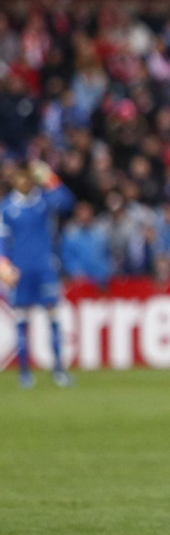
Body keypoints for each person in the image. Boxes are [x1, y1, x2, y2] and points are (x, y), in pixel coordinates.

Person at [1, 161, 75, 388]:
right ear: (14, 181)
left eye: (27, 178)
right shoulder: (6, 207)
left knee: (53, 315)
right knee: (22, 318)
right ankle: (24, 373)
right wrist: (3, 264)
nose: (23, 182)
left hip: (45, 267)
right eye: (19, 178)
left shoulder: (43, 200)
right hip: (20, 270)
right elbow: (2, 240)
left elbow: (67, 202)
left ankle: (59, 370)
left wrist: (50, 177)